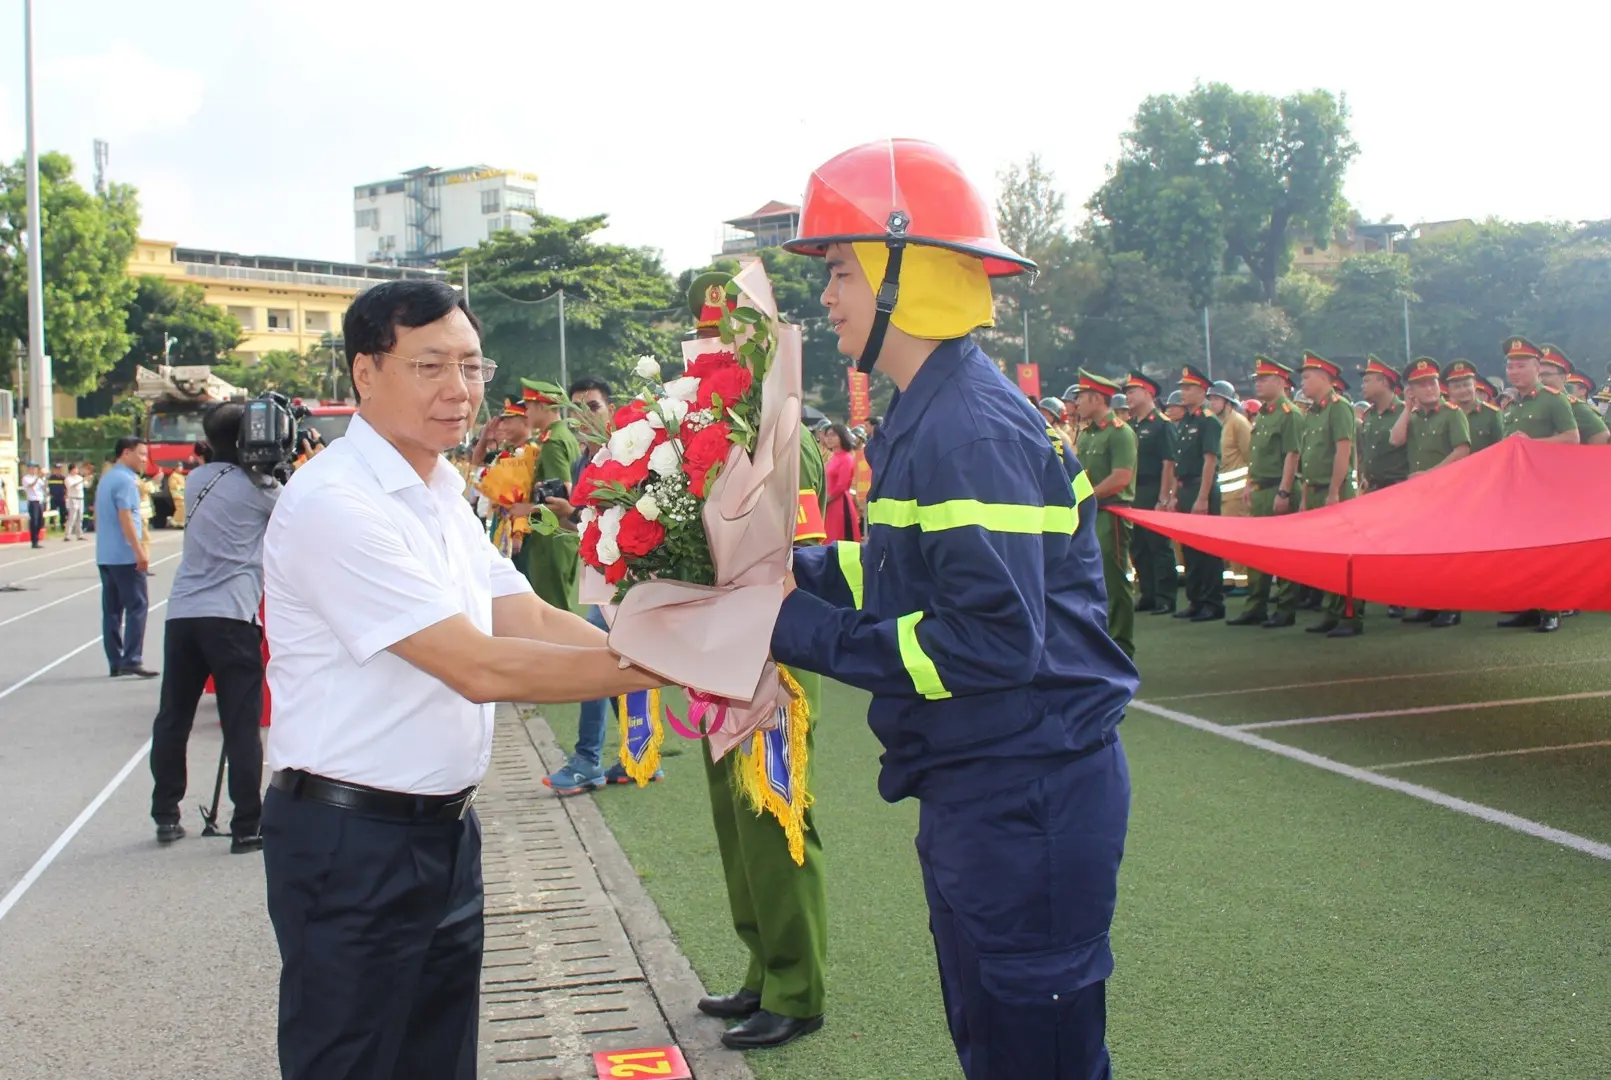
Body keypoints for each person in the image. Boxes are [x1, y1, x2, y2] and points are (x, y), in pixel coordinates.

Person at [771, 139, 1136, 1080]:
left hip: (1027, 787)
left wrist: (788, 624)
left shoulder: (965, 426)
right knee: (995, 1046)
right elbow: (916, 579)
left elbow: (990, 642)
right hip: (990, 782)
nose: (828, 295)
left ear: (908, 269)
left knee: (1032, 1056)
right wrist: (802, 570)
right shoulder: (932, 411)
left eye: (842, 270)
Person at [260, 280, 663, 1080]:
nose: (461, 391)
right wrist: (668, 667)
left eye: (473, 367)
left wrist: (651, 650)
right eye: (431, 366)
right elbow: (476, 666)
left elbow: (530, 618)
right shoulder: (338, 502)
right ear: (365, 373)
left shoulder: (441, 491)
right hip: (352, 842)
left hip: (441, 833)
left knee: (438, 1060)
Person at [698, 419, 832, 1052]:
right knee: (737, 819)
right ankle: (765, 967)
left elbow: (798, 559)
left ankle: (797, 990)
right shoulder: (712, 432)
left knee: (775, 817)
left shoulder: (783, 436)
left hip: (771, 656)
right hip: (721, 651)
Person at [148, 403, 281, 850]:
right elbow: (299, 509)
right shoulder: (262, 490)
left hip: (183, 614)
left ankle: (166, 813)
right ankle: (246, 824)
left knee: (173, 718)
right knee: (240, 725)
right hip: (231, 617)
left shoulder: (197, 479)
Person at [1498, 336, 1577, 634]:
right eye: (1510, 365)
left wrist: (1531, 446)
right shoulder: (1508, 405)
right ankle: (1528, 606)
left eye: (1521, 365)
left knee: (1545, 550)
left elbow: (1572, 438)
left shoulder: (1553, 399)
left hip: (1544, 486)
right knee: (1520, 550)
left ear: (1536, 367)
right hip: (1516, 487)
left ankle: (1551, 609)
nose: (1514, 371)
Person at [1388, 356, 1472, 629]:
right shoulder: (1413, 417)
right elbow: (1395, 439)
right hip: (1419, 495)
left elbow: (1462, 450)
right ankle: (1429, 603)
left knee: (1446, 551)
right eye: (1421, 385)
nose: (1429, 388)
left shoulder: (1452, 413)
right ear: (1411, 390)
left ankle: (1450, 606)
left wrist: (1430, 474)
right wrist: (1407, 407)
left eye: (1432, 382)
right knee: (1424, 550)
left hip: (1446, 491)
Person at [1228, 357, 1303, 629]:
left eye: (1264, 378)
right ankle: (1255, 605)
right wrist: (1249, 483)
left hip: (1277, 488)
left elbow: (1292, 455)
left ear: (1281, 382)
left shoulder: (1289, 413)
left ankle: (1285, 608)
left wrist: (1283, 492)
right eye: (1257, 378)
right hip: (1260, 489)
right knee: (1256, 553)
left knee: (1283, 553)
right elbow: (1256, 455)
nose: (1258, 383)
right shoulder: (1264, 413)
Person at [1296, 352, 1362, 638]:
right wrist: (1304, 496)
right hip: (1314, 489)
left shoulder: (1339, 408)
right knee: (1324, 557)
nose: (1303, 382)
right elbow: (1308, 457)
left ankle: (1350, 614)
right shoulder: (1313, 411)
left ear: (1324, 378)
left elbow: (1343, 451)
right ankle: (1331, 611)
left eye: (1307, 377)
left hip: (1334, 490)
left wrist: (1335, 491)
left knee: (1344, 558)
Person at [1073, 370, 1138, 658]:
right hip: (1090, 513)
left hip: (1111, 512)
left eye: (1080, 398)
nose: (1076, 404)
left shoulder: (1120, 432)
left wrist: (1088, 495)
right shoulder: (1087, 434)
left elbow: (1122, 476)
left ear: (1097, 398)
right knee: (1091, 578)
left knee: (1114, 578)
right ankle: (1100, 637)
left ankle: (1121, 642)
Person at [515, 378, 581, 611]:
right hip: (562, 532)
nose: (526, 413)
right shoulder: (563, 436)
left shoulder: (553, 441)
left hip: (553, 533)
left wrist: (526, 509)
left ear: (542, 406)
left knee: (553, 608)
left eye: (529, 407)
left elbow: (562, 494)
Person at [96, 438, 158, 677]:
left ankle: (116, 661)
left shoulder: (108, 477)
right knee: (137, 606)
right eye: (141, 454)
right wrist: (139, 550)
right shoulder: (126, 481)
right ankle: (132, 658)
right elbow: (125, 518)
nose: (145, 460)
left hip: (106, 554)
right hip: (124, 555)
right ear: (125, 453)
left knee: (112, 610)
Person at [1170, 365, 1224, 623]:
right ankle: (1196, 599)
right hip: (1185, 488)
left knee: (1208, 549)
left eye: (1189, 387)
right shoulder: (1186, 421)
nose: (1183, 392)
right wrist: (1173, 495)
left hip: (1202, 488)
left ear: (1202, 391)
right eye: (1182, 387)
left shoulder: (1208, 420)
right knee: (1190, 549)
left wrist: (1203, 497)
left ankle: (1212, 602)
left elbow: (1210, 461)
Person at [1124, 372, 1178, 616]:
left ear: (1148, 393)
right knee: (1138, 546)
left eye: (1132, 391)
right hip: (1135, 490)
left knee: (1159, 546)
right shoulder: (1132, 425)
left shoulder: (1162, 424)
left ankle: (1165, 597)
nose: (1128, 396)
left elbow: (1168, 463)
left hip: (1153, 488)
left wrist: (1163, 498)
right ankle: (1147, 593)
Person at [1206, 380, 1251, 595]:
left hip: (1238, 491)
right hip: (1222, 490)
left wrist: (1249, 487)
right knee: (1225, 539)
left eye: (1216, 399)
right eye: (1211, 399)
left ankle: (1244, 581)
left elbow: (1250, 457)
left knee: (1238, 537)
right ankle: (1231, 580)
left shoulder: (1239, 423)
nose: (1212, 402)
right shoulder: (1218, 423)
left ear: (1228, 402)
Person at [1444, 359, 1504, 453]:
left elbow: (1501, 448)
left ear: (1475, 385)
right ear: (1449, 390)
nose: (1463, 390)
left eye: (1467, 385)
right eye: (1457, 387)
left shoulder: (1492, 414)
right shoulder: (1444, 414)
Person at [822, 421, 863, 544]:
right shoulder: (832, 457)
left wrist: (826, 500)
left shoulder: (846, 458)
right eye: (827, 435)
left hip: (839, 504)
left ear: (842, 436)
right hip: (829, 504)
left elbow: (842, 485)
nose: (829, 438)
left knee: (840, 538)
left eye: (833, 435)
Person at [1564, 367, 1610, 445]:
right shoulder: (1562, 408)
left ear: (1582, 391)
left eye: (1569, 387)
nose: (1564, 390)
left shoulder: (1590, 414)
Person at [21, 462, 46, 547]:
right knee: (34, 521)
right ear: (29, 468)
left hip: (40, 500)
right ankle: (34, 541)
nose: (34, 469)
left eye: (35, 468)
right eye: (33, 468)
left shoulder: (38, 478)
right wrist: (38, 478)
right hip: (32, 501)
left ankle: (37, 539)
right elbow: (31, 485)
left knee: (40, 521)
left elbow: (43, 487)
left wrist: (43, 478)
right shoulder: (26, 478)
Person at [63, 462, 87, 541]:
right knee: (72, 517)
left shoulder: (79, 477)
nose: (76, 470)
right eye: (75, 469)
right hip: (73, 498)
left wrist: (87, 479)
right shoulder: (68, 478)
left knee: (80, 517)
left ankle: (79, 534)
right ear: (71, 470)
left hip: (80, 498)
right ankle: (67, 535)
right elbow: (72, 486)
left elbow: (86, 485)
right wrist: (81, 480)